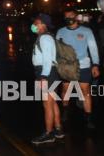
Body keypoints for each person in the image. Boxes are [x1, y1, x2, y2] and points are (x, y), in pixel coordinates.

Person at [57, 9, 100, 129]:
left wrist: (95, 64)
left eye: (71, 15)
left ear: (77, 17)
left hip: (84, 65)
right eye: (66, 16)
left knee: (86, 92)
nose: (68, 18)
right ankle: (65, 111)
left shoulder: (86, 31)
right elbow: (57, 49)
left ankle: (88, 118)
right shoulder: (61, 31)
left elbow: (93, 48)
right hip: (67, 66)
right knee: (66, 91)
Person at [30, 14, 64, 145]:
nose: (34, 25)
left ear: (43, 24)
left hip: (46, 73)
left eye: (36, 22)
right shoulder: (44, 37)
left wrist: (43, 76)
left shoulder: (45, 38)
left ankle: (48, 133)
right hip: (47, 73)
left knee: (47, 105)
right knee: (53, 102)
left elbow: (47, 60)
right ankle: (58, 129)